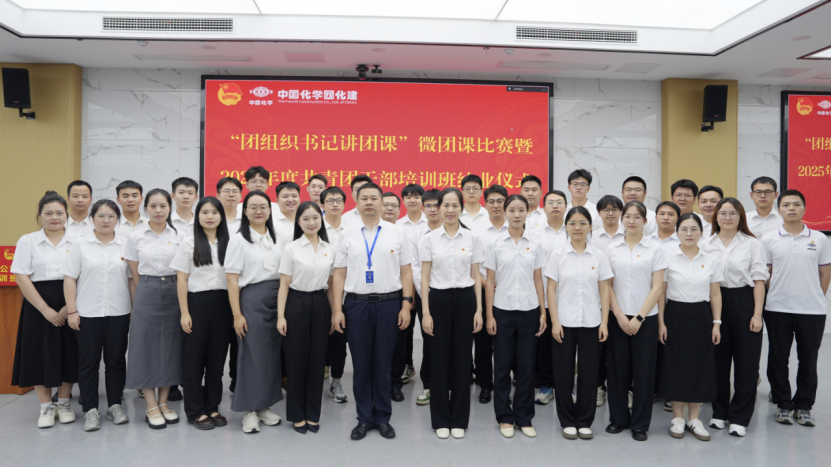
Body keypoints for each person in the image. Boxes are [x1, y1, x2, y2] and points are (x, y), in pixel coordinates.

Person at [331, 182, 414, 441]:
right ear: (356, 203)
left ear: (382, 202)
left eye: (374, 198)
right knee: (361, 365)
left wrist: (406, 305)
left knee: (384, 364)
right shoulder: (347, 234)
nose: (369, 202)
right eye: (364, 198)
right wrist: (337, 309)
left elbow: (406, 271)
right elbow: (339, 274)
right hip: (356, 305)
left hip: (389, 304)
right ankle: (364, 419)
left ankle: (383, 417)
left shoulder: (397, 233)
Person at [763, 190, 831, 427]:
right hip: (777, 308)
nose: (791, 208)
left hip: (812, 310)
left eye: (796, 204)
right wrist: (777, 291)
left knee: (809, 359)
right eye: (786, 205)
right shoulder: (769, 239)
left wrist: (815, 295)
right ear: (779, 210)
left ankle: (803, 405)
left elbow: (825, 273)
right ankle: (783, 403)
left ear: (804, 208)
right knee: (778, 357)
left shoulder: (819, 239)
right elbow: (767, 273)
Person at [63, 199, 132, 432]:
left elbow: (132, 279)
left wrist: (134, 308)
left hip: (119, 311)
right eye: (101, 216)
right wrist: (72, 311)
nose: (106, 220)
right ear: (92, 218)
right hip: (87, 313)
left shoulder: (126, 244)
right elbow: (69, 279)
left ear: (117, 219)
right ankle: (91, 409)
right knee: (88, 362)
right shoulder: (80, 245)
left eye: (111, 216)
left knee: (116, 361)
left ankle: (114, 405)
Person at [420, 187, 484, 439]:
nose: (449, 210)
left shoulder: (472, 238)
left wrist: (479, 310)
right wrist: (426, 312)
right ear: (438, 208)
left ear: (461, 208)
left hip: (466, 300)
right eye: (445, 205)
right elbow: (425, 278)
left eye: (455, 205)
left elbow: (476, 275)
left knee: (461, 360)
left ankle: (458, 419)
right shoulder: (429, 239)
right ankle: (440, 420)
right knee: (438, 360)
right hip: (438, 300)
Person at [11, 191, 79, 428]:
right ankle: (46, 407)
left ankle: (64, 403)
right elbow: (21, 277)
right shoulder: (28, 240)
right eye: (48, 213)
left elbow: (84, 275)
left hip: (71, 301)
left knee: (69, 352)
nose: (54, 217)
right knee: (38, 354)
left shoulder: (78, 240)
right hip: (37, 304)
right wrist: (46, 310)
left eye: (59, 213)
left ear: (66, 215)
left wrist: (68, 307)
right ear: (39, 215)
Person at [701, 197, 768, 437]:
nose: (727, 217)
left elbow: (759, 280)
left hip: (744, 301)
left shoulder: (752, 244)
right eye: (723, 213)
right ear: (716, 217)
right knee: (717, 361)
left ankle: (740, 416)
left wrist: (757, 314)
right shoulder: (705, 244)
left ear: (741, 217)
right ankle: (719, 412)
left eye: (733, 213)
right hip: (714, 301)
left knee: (747, 362)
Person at [545, 206, 612, 440]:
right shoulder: (558, 255)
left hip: (592, 321)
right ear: (566, 227)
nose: (577, 227)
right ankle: (567, 421)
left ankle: (584, 420)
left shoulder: (599, 256)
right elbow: (551, 290)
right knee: (563, 373)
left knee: (589, 373)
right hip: (564, 321)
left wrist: (604, 322)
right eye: (573, 223)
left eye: (583, 223)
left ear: (590, 226)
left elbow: (605, 290)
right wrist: (554, 322)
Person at [485, 194, 546, 439]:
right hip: (502, 310)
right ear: (505, 212)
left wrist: (543, 312)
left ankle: (524, 417)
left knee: (526, 367)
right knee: (501, 367)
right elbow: (490, 281)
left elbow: (538, 279)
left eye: (521, 210)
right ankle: (504, 417)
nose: (517, 214)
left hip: (530, 310)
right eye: (512, 210)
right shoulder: (495, 244)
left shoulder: (536, 244)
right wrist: (489, 315)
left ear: (527, 213)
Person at [605, 201, 667, 441]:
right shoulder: (612, 248)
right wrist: (619, 315)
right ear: (622, 219)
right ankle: (618, 419)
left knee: (644, 372)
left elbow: (657, 287)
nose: (631, 221)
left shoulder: (655, 249)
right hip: (618, 317)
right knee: (617, 370)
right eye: (627, 216)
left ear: (645, 221)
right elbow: (607, 285)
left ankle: (640, 424)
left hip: (646, 319)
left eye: (637, 217)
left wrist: (639, 317)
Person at [658, 213, 722, 442]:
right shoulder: (667, 257)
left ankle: (694, 418)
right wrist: (661, 321)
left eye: (694, 229)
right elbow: (661, 292)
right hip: (675, 315)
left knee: (700, 366)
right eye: (684, 229)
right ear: (677, 232)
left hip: (702, 316)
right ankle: (677, 417)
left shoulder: (711, 259)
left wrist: (716, 323)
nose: (689, 233)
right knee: (675, 365)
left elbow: (716, 293)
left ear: (701, 233)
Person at [225, 191, 284, 434]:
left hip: (277, 299)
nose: (259, 211)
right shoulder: (239, 240)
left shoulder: (277, 238)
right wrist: (237, 315)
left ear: (270, 210)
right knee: (251, 356)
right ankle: (248, 410)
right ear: (245, 211)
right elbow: (231, 279)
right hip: (252, 301)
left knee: (270, 356)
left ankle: (263, 406)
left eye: (263, 207)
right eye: (253, 207)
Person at [171, 197, 232, 431]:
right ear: (197, 217)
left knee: (216, 360)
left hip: (224, 305)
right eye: (204, 212)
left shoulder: (230, 242)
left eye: (214, 212)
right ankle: (195, 410)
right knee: (193, 360)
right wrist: (184, 312)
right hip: (196, 304)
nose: (209, 216)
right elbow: (181, 280)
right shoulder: (189, 243)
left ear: (221, 216)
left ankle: (212, 406)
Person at [123, 189, 182, 429]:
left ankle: (164, 402)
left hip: (175, 290)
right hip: (146, 289)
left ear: (170, 208)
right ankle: (151, 405)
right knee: (144, 347)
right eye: (153, 206)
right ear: (145, 208)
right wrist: (142, 298)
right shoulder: (135, 237)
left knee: (170, 346)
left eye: (163, 206)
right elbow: (134, 273)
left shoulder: (179, 235)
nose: (158, 210)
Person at [277, 201, 335, 434]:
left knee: (317, 362)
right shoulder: (291, 249)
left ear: (321, 220)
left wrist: (334, 312)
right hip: (296, 303)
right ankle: (297, 414)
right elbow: (283, 285)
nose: (311, 223)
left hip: (320, 304)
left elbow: (331, 285)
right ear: (298, 222)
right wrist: (281, 316)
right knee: (296, 361)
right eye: (306, 219)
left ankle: (313, 413)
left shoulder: (329, 249)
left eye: (315, 218)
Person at [401, 189, 441, 405]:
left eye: (437, 205)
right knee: (429, 340)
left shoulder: (459, 232)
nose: (433, 210)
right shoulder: (419, 235)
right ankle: (429, 385)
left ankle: (450, 384)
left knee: (450, 341)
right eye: (429, 206)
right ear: (423, 208)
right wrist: (424, 292)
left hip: (452, 295)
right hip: (427, 293)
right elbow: (415, 268)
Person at [472, 184, 509, 405]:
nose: (496, 205)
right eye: (491, 201)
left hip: (509, 294)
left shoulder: (517, 228)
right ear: (484, 204)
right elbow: (472, 264)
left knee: (506, 343)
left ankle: (505, 384)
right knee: (483, 342)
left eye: (500, 201)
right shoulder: (476, 232)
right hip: (484, 291)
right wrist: (487, 284)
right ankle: (485, 384)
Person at [531, 190, 569, 406]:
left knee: (566, 344)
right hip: (543, 296)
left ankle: (565, 387)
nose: (555, 205)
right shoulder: (535, 232)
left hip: (569, 296)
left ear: (566, 207)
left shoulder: (573, 229)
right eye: (551, 202)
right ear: (543, 207)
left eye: (559, 202)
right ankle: (546, 384)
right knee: (544, 344)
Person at [588, 194, 624, 406]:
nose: (610, 213)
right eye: (605, 210)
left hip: (622, 300)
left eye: (614, 209)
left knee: (619, 349)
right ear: (599, 213)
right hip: (597, 300)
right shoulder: (591, 238)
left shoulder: (628, 235)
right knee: (598, 349)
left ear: (621, 212)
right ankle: (598, 386)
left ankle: (623, 388)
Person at [321, 186, 349, 403]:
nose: (334, 204)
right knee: (318, 341)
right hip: (319, 292)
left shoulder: (351, 230)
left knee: (340, 340)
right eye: (330, 201)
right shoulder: (315, 227)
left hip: (346, 293)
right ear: (322, 204)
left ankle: (336, 382)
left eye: (338, 200)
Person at [216, 176, 243, 393]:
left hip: (242, 289)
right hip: (216, 289)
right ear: (218, 195)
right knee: (217, 340)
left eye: (235, 191)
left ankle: (237, 380)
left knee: (239, 338)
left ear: (241, 195)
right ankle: (214, 382)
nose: (231, 194)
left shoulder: (248, 219)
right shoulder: (211, 219)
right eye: (226, 191)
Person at [273, 181, 301, 246]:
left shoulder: (306, 220)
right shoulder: (271, 222)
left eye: (294, 196)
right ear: (277, 201)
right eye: (285, 197)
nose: (290, 200)